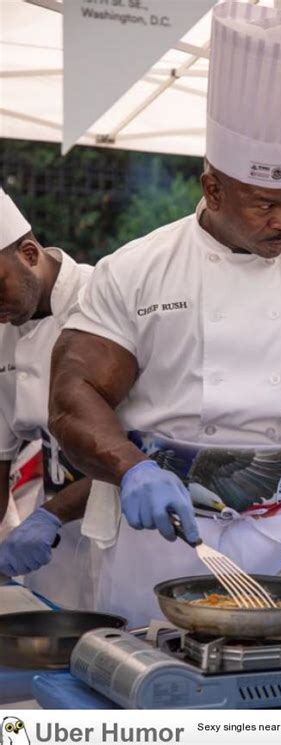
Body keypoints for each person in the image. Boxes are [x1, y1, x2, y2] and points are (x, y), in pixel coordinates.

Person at [48, 2, 281, 626]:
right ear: (213, 190)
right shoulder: (136, 269)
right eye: (263, 204)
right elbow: (73, 396)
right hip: (165, 537)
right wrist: (132, 469)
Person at [0, 188, 95, 608]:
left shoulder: (102, 300)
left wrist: (49, 516)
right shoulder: (3, 328)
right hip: (54, 541)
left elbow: (139, 450)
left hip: (128, 532)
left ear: (29, 253)